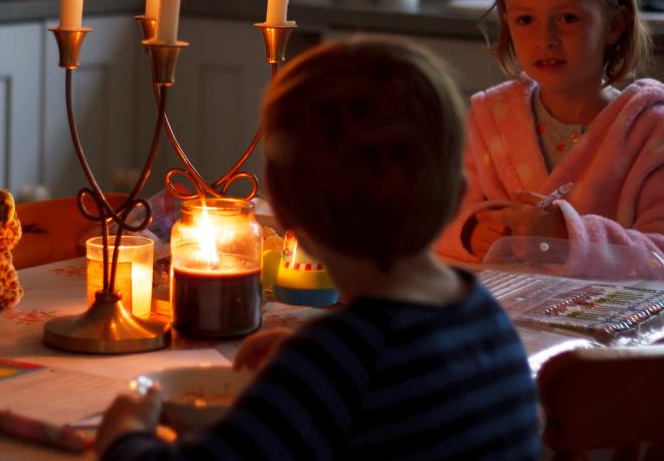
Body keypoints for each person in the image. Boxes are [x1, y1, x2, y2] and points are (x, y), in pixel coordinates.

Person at [94, 38, 541, 460]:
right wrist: (306, 362)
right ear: (457, 195)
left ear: (286, 213)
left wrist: (124, 433)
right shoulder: (484, 316)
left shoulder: (339, 362)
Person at [434, 0, 664, 280]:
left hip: (617, 327)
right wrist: (471, 231)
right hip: (507, 323)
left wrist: (568, 240)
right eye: (526, 19)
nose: (546, 38)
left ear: (615, 25)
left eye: (568, 18)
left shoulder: (657, 134)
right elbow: (435, 218)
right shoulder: (486, 124)